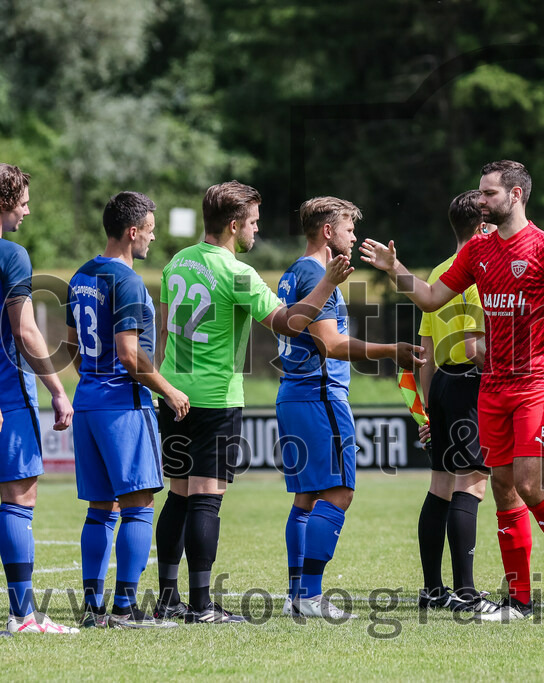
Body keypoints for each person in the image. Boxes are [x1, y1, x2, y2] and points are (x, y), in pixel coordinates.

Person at [361, 160, 544, 621]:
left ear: (516, 195)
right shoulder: (479, 250)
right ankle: (520, 601)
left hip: (539, 381)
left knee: (529, 484)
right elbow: (431, 297)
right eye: (481, 192)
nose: (482, 200)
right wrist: (395, 269)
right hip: (493, 386)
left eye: (489, 193)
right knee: (504, 488)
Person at [153, 181, 350, 624]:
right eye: (254, 222)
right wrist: (327, 284)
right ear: (234, 224)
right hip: (215, 398)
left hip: (173, 392)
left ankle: (168, 598)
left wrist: (164, 385)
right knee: (206, 499)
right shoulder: (237, 273)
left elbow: (164, 332)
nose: (257, 230)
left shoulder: (176, 262)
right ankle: (201, 605)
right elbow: (289, 323)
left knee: (179, 496)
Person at [277, 196, 420, 621]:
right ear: (328, 231)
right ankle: (310, 595)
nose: (354, 236)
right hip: (319, 395)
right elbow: (332, 344)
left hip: (295, 394)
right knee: (340, 492)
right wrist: (391, 350)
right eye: (349, 228)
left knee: (307, 497)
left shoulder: (294, 272)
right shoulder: (313, 274)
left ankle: (296, 594)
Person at [67, 192, 188, 629]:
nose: (152, 238)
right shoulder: (128, 281)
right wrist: (168, 390)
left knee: (100, 508)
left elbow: (72, 347)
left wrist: (94, 380)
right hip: (123, 405)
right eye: (150, 231)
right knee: (138, 505)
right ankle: (124, 609)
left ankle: (92, 609)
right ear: (132, 231)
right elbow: (130, 354)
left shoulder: (81, 275)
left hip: (88, 402)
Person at [0, 163, 76, 635]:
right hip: (8, 395)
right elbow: (25, 331)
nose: (27, 211)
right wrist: (58, 390)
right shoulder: (11, 255)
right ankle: (24, 616)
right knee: (17, 496)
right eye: (23, 202)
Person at [416, 190, 498, 615]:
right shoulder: (480, 270)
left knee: (440, 486)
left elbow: (425, 354)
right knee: (472, 484)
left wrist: (430, 408)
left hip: (443, 385)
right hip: (471, 385)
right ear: (482, 227)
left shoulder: (438, 272)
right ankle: (466, 591)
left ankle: (433, 589)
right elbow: (474, 346)